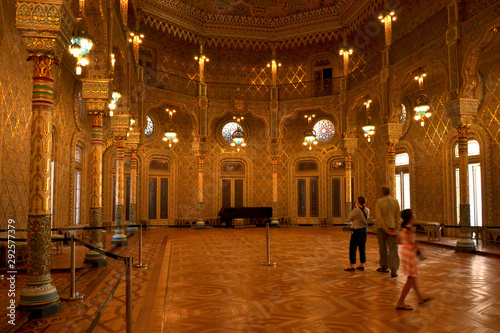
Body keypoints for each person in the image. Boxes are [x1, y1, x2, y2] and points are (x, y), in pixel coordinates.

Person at [396, 209, 431, 310]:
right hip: (410, 254)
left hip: (405, 252)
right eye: (413, 214)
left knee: (412, 277)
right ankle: (400, 302)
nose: (415, 215)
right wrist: (417, 248)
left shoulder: (403, 228)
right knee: (410, 279)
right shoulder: (408, 229)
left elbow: (398, 241)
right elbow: (412, 241)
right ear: (411, 218)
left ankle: (420, 298)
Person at [374, 185, 401, 277]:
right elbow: (398, 217)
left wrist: (385, 229)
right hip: (393, 228)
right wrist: (395, 230)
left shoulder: (379, 202)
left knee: (383, 248)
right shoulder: (395, 201)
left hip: (382, 229)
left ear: (382, 193)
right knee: (393, 249)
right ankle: (394, 270)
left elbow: (379, 218)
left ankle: (384, 266)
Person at [344, 196, 369, 271]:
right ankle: (362, 263)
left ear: (358, 202)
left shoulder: (356, 210)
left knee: (353, 247)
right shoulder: (367, 210)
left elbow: (349, 218)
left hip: (357, 230)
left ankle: (352, 264)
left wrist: (355, 208)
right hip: (364, 230)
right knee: (362, 247)